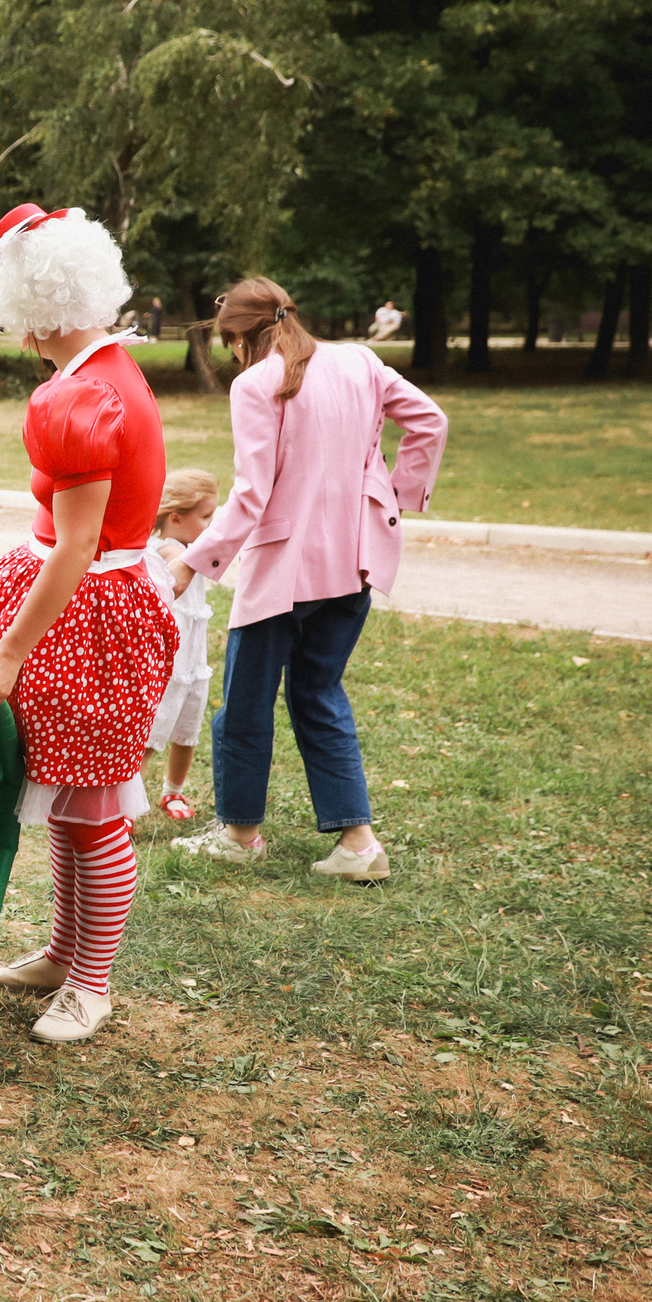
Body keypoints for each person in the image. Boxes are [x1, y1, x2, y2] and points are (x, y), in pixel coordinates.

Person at [0, 203, 178, 1046]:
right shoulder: (114, 368)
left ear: (31, 308)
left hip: (89, 611)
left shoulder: (78, 396)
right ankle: (65, 953)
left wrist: (7, 653)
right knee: (71, 799)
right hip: (96, 599)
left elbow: (75, 548)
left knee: (93, 807)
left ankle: (90, 984)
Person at [174, 278, 447, 882]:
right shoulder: (360, 361)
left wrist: (192, 561)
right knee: (319, 694)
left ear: (240, 337)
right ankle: (358, 845)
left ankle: (240, 835)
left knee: (244, 706)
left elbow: (252, 493)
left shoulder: (255, 383)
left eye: (228, 343)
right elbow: (430, 421)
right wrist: (392, 497)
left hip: (285, 573)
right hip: (354, 563)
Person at [142, 469, 219, 820]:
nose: (211, 525)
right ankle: (126, 803)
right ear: (175, 518)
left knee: (187, 733)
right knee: (150, 735)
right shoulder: (166, 549)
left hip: (194, 663)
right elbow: (176, 561)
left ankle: (173, 791)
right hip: (168, 665)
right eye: (206, 517)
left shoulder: (191, 549)